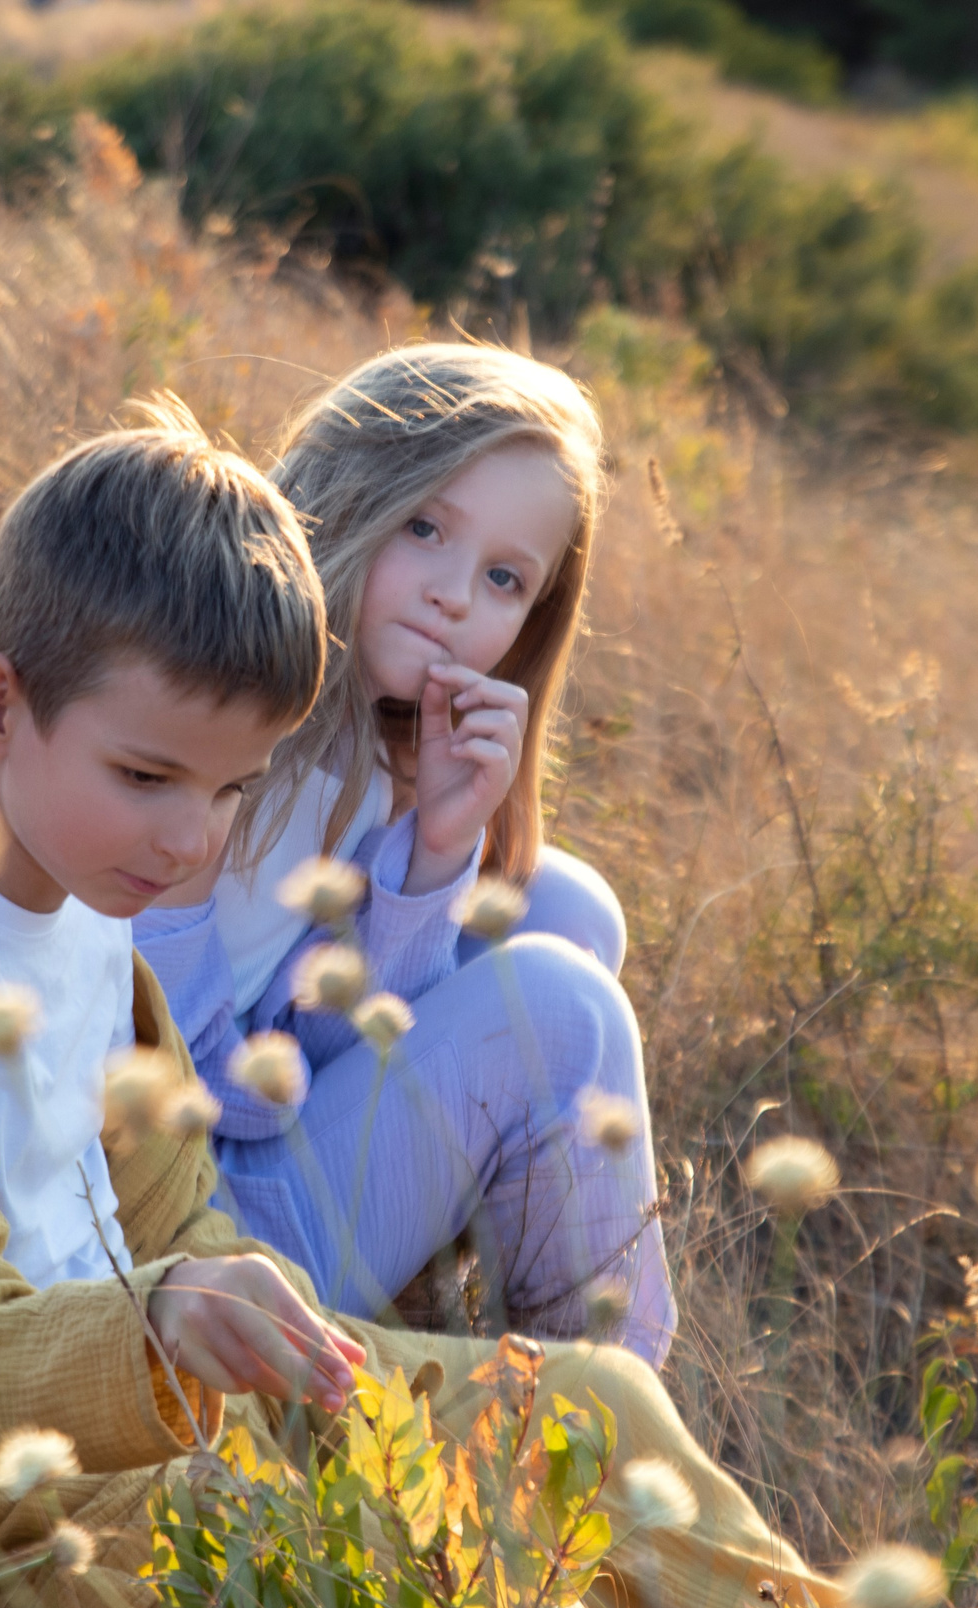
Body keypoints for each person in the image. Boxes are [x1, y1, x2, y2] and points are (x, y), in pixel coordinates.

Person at [0, 404, 978, 1608]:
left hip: (134, 1411)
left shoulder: (86, 904)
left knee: (592, 1405)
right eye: (149, 775)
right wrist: (161, 1326)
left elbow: (171, 1214)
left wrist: (259, 1314)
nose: (192, 838)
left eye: (231, 789)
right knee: (472, 1607)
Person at [138, 344, 670, 1366]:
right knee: (562, 1009)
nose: (455, 597)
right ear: (347, 491)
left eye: (504, 577)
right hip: (187, 1231)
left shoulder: (376, 743)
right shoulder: (228, 726)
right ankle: (605, 1411)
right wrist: (297, 1058)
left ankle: (524, 1346)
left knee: (564, 907)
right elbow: (184, 1079)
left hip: (254, 1136)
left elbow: (330, 1036)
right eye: (424, 527)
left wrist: (435, 849)